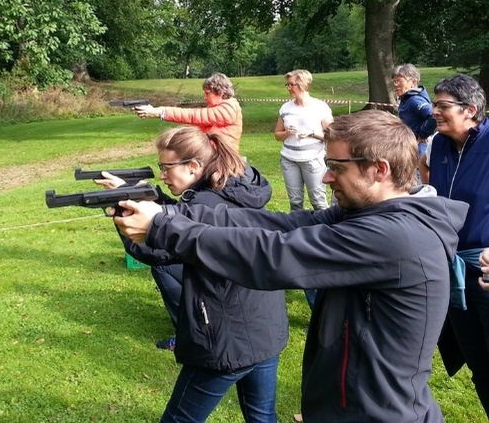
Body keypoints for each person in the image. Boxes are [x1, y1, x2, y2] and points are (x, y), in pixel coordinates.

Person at [114, 109, 466, 421]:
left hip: (376, 413)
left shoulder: (393, 236)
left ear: (379, 170)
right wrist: (173, 212)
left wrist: (164, 228)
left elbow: (273, 254)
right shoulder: (368, 215)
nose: (327, 178)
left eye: (336, 167)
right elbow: (279, 225)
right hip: (352, 406)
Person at [98, 127, 281, 405]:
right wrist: (139, 195)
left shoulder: (207, 200)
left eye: (166, 167)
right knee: (262, 416)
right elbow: (186, 217)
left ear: (194, 166)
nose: (162, 174)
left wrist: (125, 216)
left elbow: (157, 250)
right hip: (264, 327)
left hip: (225, 337)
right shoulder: (231, 187)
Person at [427, 74, 489, 414]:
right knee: (478, 365)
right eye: (435, 104)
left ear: (471, 110)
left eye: (442, 105)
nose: (434, 110)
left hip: (485, 272)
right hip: (451, 270)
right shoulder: (438, 144)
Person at [133, 73, 243, 152]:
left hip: (221, 161)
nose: (204, 97)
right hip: (215, 157)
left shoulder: (229, 108)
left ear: (220, 92)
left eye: (207, 93)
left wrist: (160, 112)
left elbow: (193, 116)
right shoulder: (225, 107)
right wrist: (155, 110)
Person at [274, 69, 334, 211]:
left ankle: (325, 230)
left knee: (318, 202)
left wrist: (312, 133)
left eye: (291, 84)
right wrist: (287, 133)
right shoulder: (285, 108)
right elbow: (277, 135)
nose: (288, 88)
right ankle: (297, 230)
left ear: (302, 84)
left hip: (313, 160)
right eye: (287, 85)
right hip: (289, 160)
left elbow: (332, 135)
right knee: (295, 202)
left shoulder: (320, 107)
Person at [393, 63, 436, 156]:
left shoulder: (415, 100)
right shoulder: (406, 98)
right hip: (410, 146)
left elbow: (434, 115)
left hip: (420, 149)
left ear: (413, 82)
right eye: (394, 81)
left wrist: (423, 134)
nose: (395, 85)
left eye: (399, 81)